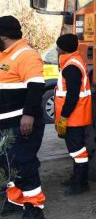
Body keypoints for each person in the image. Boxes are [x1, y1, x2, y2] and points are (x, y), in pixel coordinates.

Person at [0, 16, 46, 219]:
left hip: (20, 121)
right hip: (5, 121)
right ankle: (15, 200)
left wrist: (28, 115)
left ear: (4, 35)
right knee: (8, 163)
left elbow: (36, 88)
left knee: (24, 163)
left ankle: (34, 208)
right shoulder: (4, 55)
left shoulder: (26, 55)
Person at [54, 33, 91, 195]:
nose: (56, 49)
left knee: (77, 151)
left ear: (62, 49)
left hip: (74, 117)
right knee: (76, 150)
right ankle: (79, 180)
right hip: (75, 116)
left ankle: (79, 184)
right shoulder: (72, 62)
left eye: (58, 47)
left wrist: (64, 116)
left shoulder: (71, 67)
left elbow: (72, 95)